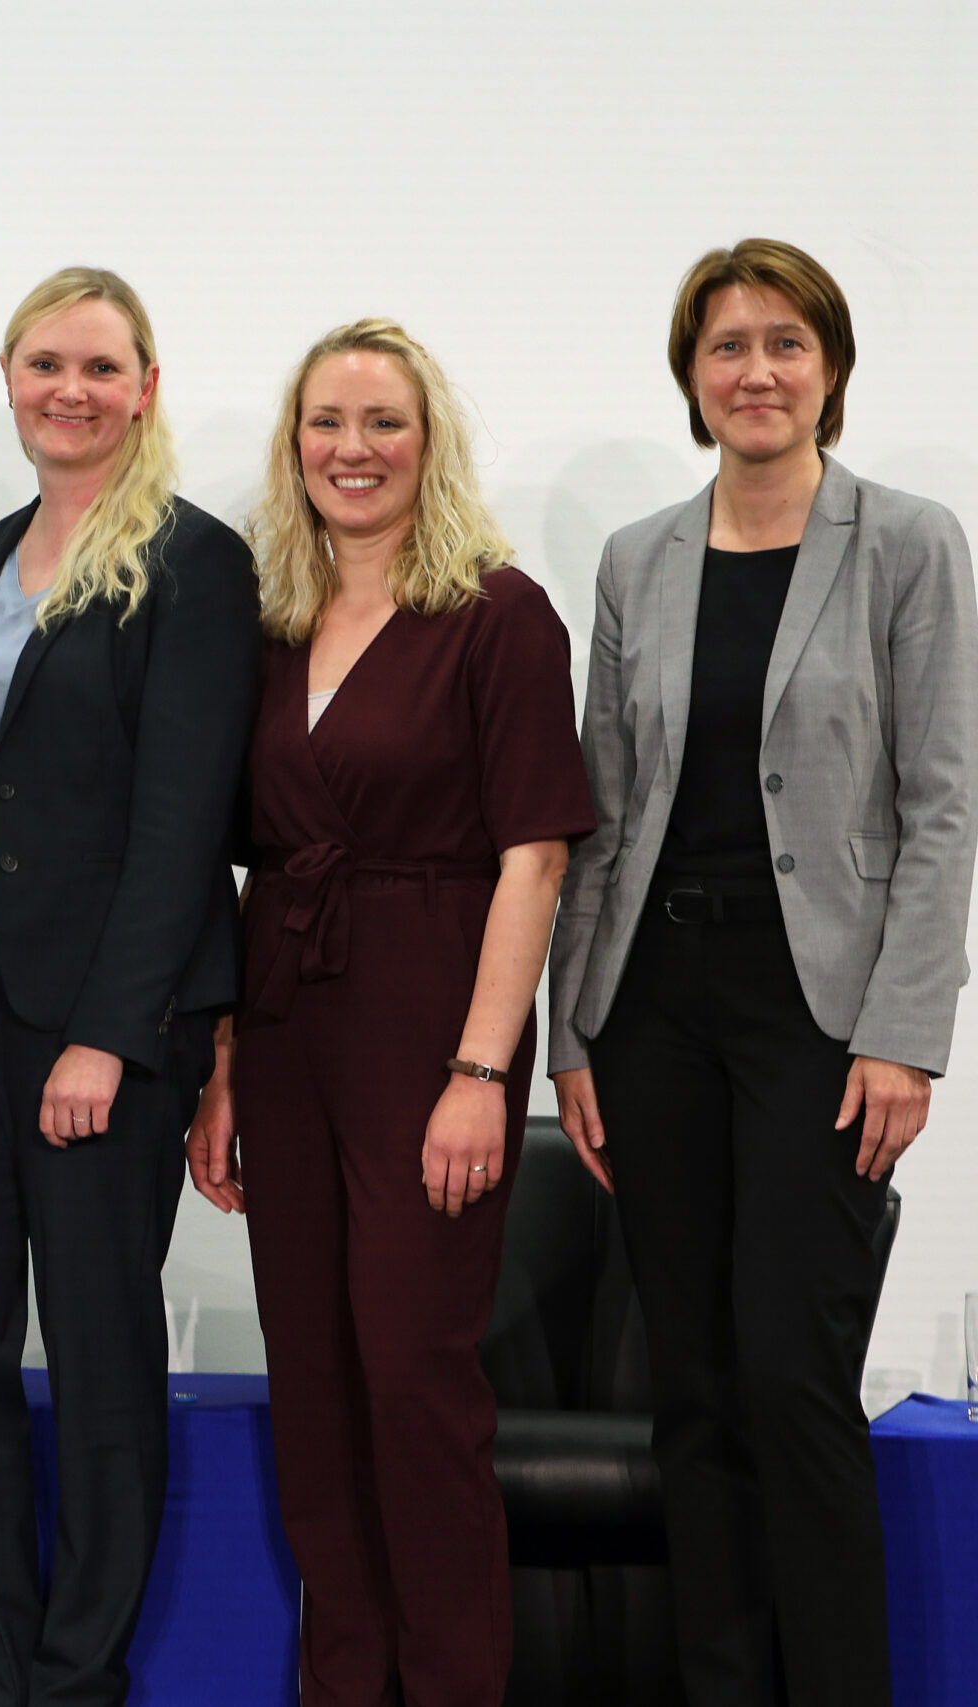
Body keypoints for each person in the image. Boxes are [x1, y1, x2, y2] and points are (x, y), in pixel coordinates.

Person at [546, 240, 976, 1707]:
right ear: (690, 377)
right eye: (727, 347)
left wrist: (906, 1035)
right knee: (693, 1388)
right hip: (652, 1008)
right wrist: (572, 1036)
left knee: (795, 1383)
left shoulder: (909, 542)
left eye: (786, 343)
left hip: (822, 1017)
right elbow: (596, 814)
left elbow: (944, 804)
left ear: (832, 368)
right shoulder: (636, 560)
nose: (757, 371)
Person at [185, 319, 593, 1705]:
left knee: (416, 1393)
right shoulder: (270, 623)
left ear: (432, 444)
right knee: (317, 1390)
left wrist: (484, 1070)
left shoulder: (497, 612)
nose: (352, 451)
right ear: (292, 447)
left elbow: (535, 855)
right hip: (291, 1028)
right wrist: (230, 1060)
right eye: (327, 424)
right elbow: (242, 859)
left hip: (434, 1022)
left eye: (383, 424)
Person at [0, 267, 257, 1706]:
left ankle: (76, 1675)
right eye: (47, 363)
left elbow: (182, 823)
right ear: (9, 376)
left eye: (102, 368)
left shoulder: (192, 561)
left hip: (106, 1003)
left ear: (146, 389)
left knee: (99, 1353)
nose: (71, 391)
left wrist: (110, 1034)